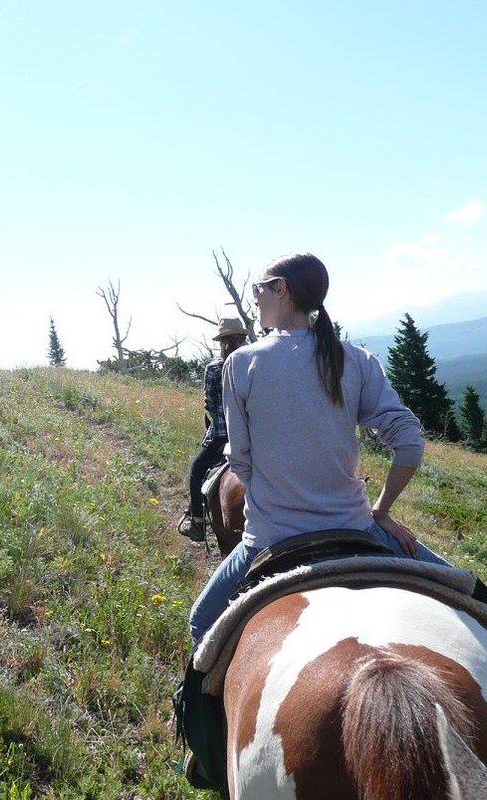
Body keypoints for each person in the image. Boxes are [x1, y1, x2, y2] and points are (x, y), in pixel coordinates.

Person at [188, 253, 451, 646]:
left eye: (259, 288)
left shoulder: (241, 363)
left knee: (200, 623)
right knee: (476, 600)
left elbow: (240, 460)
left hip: (271, 537)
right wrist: (380, 511)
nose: (256, 297)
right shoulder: (357, 359)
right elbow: (410, 443)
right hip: (356, 527)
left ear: (282, 289)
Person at [178, 317, 249, 542]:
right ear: (243, 339)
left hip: (221, 438)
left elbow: (208, 402)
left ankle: (197, 522)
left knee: (197, 470)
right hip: (254, 437)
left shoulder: (214, 368)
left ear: (222, 342)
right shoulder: (253, 362)